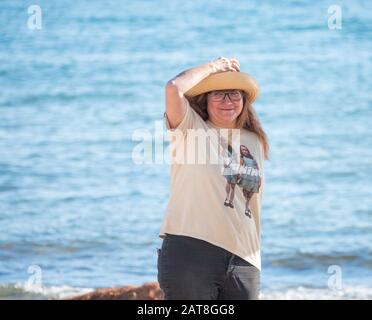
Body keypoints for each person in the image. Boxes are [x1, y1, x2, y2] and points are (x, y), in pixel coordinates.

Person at [157, 57, 269, 300]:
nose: (227, 101)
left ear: (244, 101)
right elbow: (173, 88)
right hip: (192, 253)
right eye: (218, 94)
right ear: (205, 100)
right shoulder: (191, 130)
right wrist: (214, 67)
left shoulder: (255, 141)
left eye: (234, 94)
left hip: (245, 260)